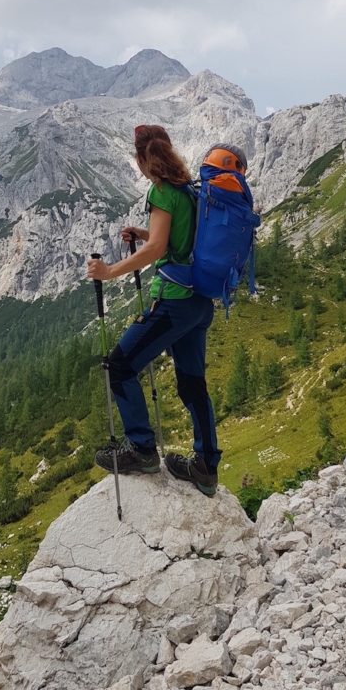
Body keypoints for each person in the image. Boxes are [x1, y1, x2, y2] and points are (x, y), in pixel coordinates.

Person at [87, 123, 234, 498]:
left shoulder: (162, 192)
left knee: (119, 365)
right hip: (200, 303)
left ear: (141, 158)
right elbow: (174, 241)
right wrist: (146, 233)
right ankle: (206, 466)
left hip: (174, 303)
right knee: (192, 384)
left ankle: (141, 448)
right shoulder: (189, 191)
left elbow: (156, 251)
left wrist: (109, 273)